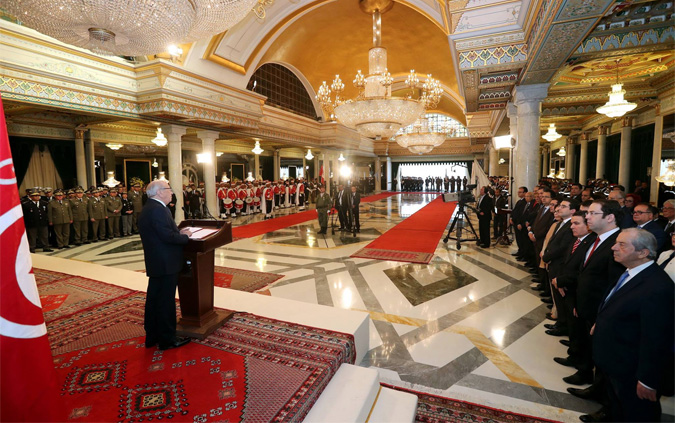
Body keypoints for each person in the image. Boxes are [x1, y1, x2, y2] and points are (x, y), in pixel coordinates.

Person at [593, 228, 674, 422]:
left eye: (622, 244)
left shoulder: (658, 287)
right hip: (615, 361)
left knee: (637, 414)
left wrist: (647, 380)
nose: (613, 247)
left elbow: (657, 339)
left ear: (643, 252)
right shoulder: (630, 272)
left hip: (632, 370)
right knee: (619, 409)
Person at [138, 180, 192, 351]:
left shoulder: (151, 208)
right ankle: (167, 339)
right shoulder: (157, 209)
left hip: (157, 261)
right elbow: (166, 237)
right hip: (165, 262)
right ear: (159, 192)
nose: (171, 193)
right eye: (169, 189)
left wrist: (177, 231)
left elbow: (162, 231)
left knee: (154, 299)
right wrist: (185, 237)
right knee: (165, 301)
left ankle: (152, 336)